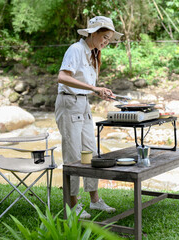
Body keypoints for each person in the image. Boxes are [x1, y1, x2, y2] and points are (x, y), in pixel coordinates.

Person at [55, 16, 123, 219]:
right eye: (104, 37)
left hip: (82, 104)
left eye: (109, 39)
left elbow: (81, 83)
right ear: (92, 33)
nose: (106, 42)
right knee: (73, 156)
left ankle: (94, 201)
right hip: (68, 104)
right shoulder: (76, 50)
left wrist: (98, 92)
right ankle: (72, 204)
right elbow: (63, 77)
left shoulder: (93, 54)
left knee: (91, 153)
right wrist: (94, 88)